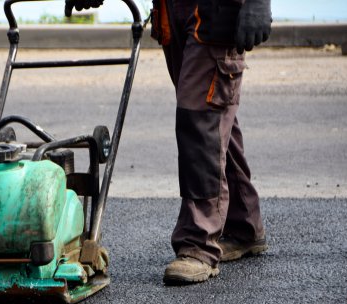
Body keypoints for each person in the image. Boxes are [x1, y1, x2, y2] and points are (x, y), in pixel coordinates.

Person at [65, 0, 272, 284]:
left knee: (200, 120)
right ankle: (243, 223)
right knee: (212, 114)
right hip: (173, 11)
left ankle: (198, 243)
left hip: (215, 12)